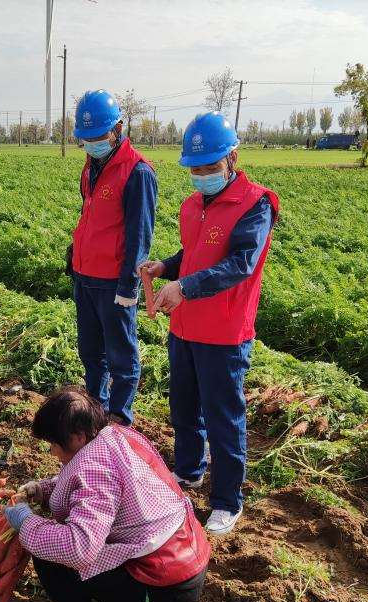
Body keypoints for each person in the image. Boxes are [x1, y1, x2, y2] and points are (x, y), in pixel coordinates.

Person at [138, 112, 279, 536]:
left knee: (223, 419)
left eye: (209, 168)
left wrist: (185, 287)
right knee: (183, 409)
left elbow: (240, 264)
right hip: (185, 327)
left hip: (224, 333)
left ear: (232, 158)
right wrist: (166, 267)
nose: (201, 176)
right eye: (195, 169)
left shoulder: (256, 204)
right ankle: (189, 471)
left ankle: (226, 501)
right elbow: (195, 255)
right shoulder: (193, 205)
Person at [2, 387, 210, 602]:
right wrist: (45, 490)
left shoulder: (94, 470)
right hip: (186, 566)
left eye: (53, 444)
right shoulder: (115, 436)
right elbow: (100, 493)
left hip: (161, 589)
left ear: (77, 437)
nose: (52, 452)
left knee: (51, 557)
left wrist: (27, 523)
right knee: (56, 543)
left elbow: (78, 548)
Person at [67, 89, 158, 427]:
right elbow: (90, 214)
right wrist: (75, 254)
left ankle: (119, 417)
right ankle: (96, 412)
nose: (91, 143)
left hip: (113, 282)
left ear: (118, 129)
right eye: (85, 138)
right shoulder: (91, 165)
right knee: (91, 353)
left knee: (121, 355)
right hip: (86, 275)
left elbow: (140, 234)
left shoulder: (137, 172)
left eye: (98, 136)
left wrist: (128, 285)